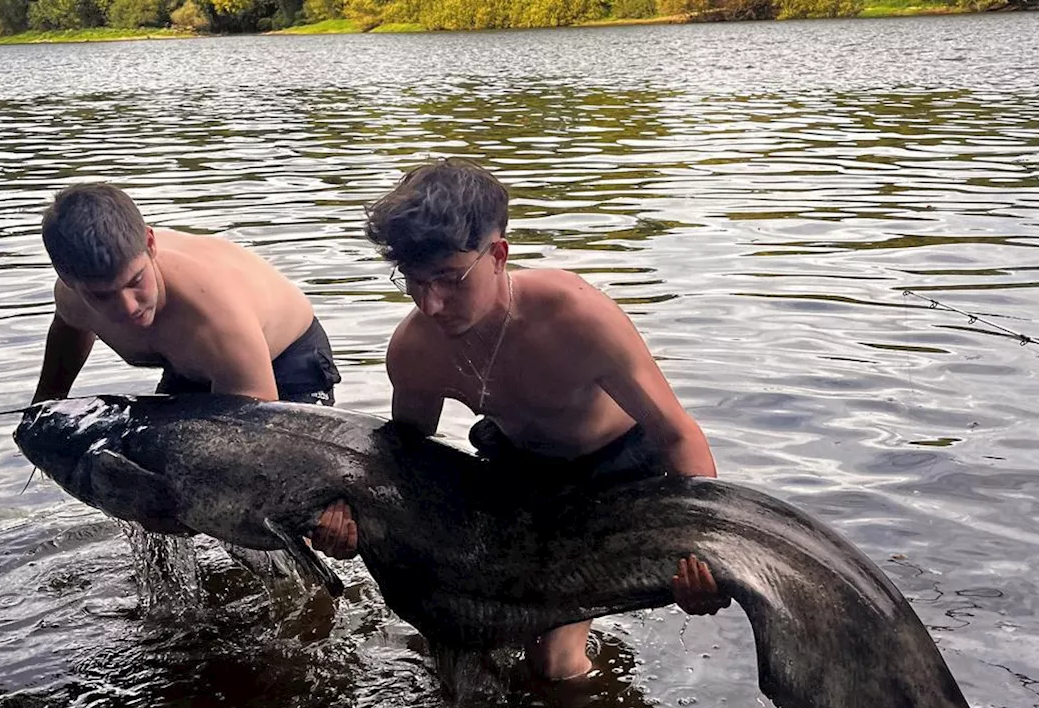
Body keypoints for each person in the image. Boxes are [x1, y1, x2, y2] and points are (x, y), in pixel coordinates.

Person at [312, 158, 729, 681]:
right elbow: (404, 459)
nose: (432, 304)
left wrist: (706, 550)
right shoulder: (414, 350)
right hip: (519, 473)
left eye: (448, 279)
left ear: (498, 255)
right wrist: (351, 521)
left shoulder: (576, 316)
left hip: (618, 474)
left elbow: (676, 432)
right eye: (414, 282)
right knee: (455, 630)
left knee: (554, 667)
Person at [31, 183, 340, 406]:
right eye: (102, 296)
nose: (127, 306)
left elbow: (257, 428)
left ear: (150, 244)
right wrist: (45, 405)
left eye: (135, 280)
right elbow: (69, 330)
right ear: (68, 280)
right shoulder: (71, 299)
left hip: (289, 360)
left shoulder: (214, 315)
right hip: (193, 368)